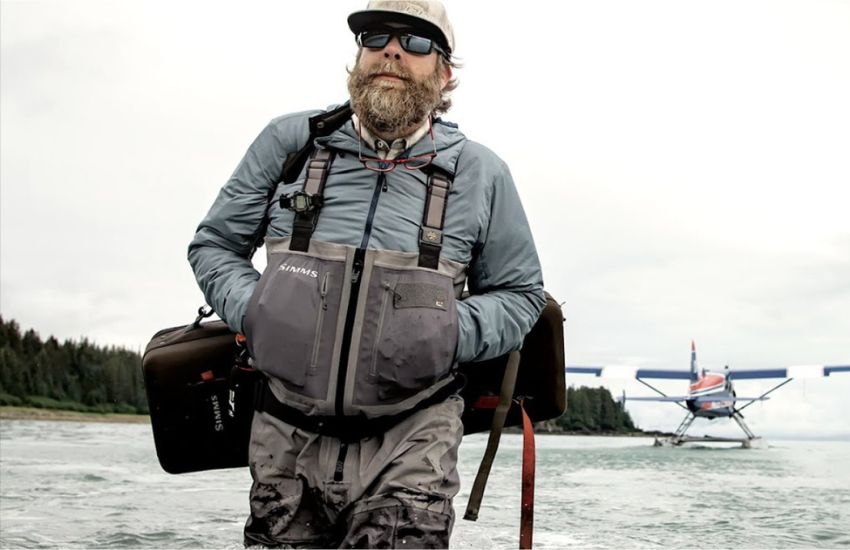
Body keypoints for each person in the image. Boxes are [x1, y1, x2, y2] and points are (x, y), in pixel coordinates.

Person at [188, 1, 544, 547]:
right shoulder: (290, 143)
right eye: (376, 37)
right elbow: (215, 244)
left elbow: (521, 295)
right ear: (358, 57)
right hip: (285, 436)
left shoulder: (482, 172)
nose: (393, 50)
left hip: (414, 438)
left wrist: (446, 330)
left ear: (445, 73)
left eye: (418, 42)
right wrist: (257, 309)